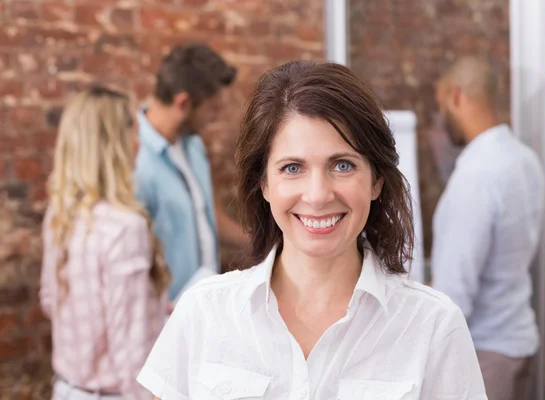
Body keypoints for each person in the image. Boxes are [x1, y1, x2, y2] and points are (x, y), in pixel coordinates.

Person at [137, 60, 487, 399]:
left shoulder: (434, 326)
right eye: (292, 168)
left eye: (343, 164)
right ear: (264, 184)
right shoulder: (202, 312)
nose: (318, 196)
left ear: (377, 180)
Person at [40, 86, 171, 400]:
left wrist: (152, 307)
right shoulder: (126, 227)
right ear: (113, 142)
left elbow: (50, 299)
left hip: (67, 388)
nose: (139, 144)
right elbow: (132, 348)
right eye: (134, 133)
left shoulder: (60, 212)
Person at [431, 56, 545, 400]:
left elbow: (455, 292)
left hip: (484, 356)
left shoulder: (475, 177)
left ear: (455, 95)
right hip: (518, 344)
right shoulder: (525, 160)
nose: (441, 117)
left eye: (440, 105)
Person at [135, 42, 248, 302]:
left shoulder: (194, 145)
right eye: (213, 109)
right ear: (184, 103)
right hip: (166, 318)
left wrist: (263, 243)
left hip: (204, 306)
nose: (216, 117)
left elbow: (207, 215)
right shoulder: (135, 159)